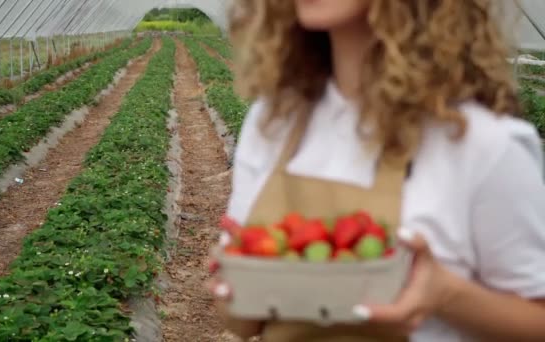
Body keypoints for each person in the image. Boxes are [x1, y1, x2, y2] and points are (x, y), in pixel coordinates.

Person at [207, 0, 545, 341]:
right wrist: (234, 280)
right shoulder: (274, 122)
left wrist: (446, 294)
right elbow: (242, 322)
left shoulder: (482, 144)